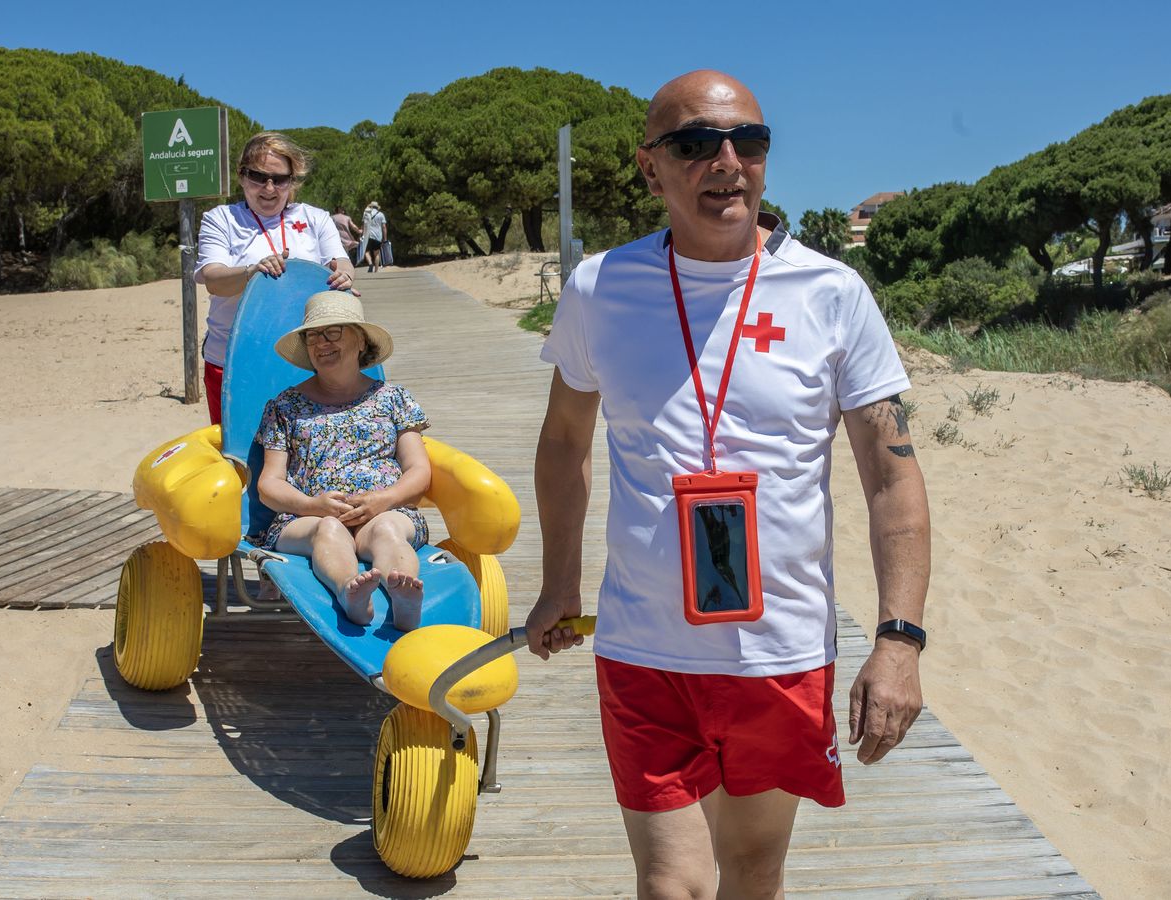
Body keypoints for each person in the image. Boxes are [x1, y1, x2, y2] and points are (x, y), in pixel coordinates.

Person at [525, 70, 932, 898]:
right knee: (673, 883)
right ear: (650, 169)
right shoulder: (602, 287)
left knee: (753, 871)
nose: (727, 161)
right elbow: (565, 439)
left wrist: (899, 640)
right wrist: (558, 581)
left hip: (778, 653)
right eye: (696, 143)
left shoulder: (830, 293)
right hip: (644, 649)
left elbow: (892, 478)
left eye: (748, 141)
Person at [253, 291, 432, 631]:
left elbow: (419, 470)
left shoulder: (393, 399)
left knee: (388, 530)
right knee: (329, 530)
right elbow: (269, 484)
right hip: (306, 517)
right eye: (313, 336)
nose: (322, 343)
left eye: (333, 331)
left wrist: (385, 499)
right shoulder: (285, 407)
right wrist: (313, 505)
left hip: (384, 509)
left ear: (360, 340)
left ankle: (404, 595)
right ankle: (350, 591)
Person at [194, 132, 357, 425]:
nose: (269, 188)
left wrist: (344, 275)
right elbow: (213, 278)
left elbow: (340, 261)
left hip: (306, 360)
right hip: (234, 361)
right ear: (242, 176)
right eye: (258, 177)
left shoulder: (315, 218)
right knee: (240, 456)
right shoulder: (221, 219)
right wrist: (251, 272)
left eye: (280, 179)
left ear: (292, 182)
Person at [360, 201, 388, 273]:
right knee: (377, 254)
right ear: (377, 207)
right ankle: (376, 271)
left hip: (368, 236)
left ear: (371, 207)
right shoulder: (381, 214)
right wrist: (385, 239)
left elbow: (363, 225)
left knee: (366, 252)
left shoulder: (366, 214)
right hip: (378, 236)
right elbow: (384, 227)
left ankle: (370, 263)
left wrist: (361, 234)